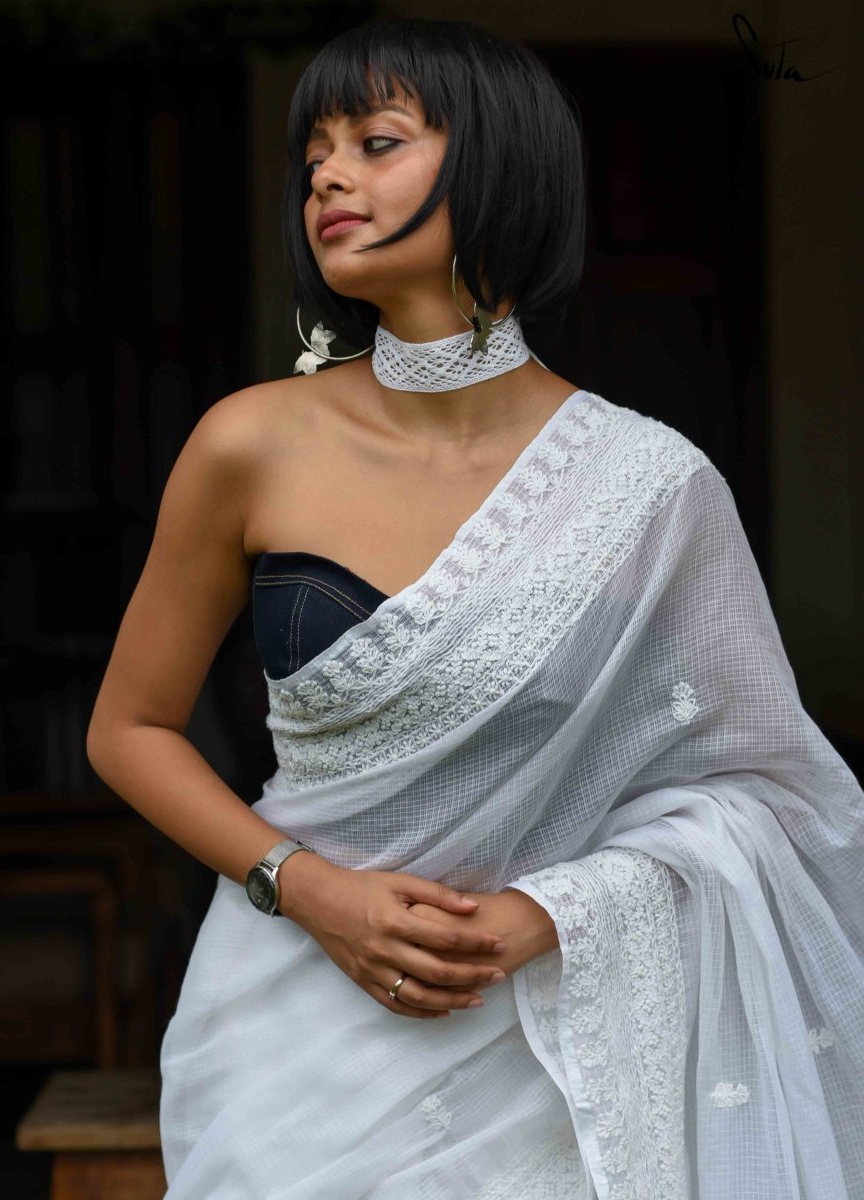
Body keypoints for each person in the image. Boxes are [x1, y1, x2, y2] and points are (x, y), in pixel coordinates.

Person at [86, 17, 864, 1200]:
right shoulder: (248, 445)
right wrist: (311, 890)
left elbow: (771, 797)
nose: (327, 177)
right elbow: (128, 728)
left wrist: (547, 916)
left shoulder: (648, 488)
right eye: (312, 157)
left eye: (375, 141)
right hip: (291, 1033)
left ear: (500, 165)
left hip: (545, 1051)